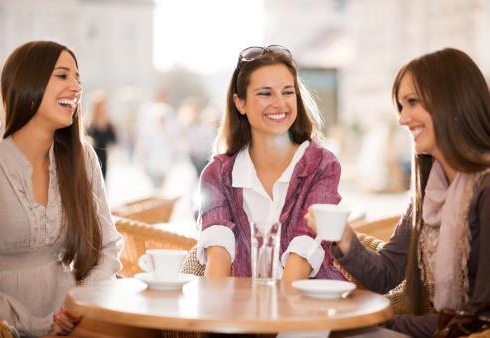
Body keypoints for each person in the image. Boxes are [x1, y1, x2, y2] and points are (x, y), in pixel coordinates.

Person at [306, 48, 490, 337]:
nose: (403, 119)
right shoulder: (429, 193)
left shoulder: (486, 190)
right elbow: (386, 274)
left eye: (412, 102)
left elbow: (480, 317)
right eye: (400, 107)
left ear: (452, 100)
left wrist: (379, 323)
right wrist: (343, 237)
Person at [0, 40, 123, 337]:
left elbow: (109, 248)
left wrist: (79, 304)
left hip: (74, 318)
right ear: (28, 82)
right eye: (62, 75)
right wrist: (29, 326)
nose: (76, 87)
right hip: (1, 325)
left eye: (77, 78)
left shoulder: (83, 158)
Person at [196, 45, 346, 282]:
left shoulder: (322, 165)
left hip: (311, 309)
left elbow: (303, 252)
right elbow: (218, 257)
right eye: (265, 93)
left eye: (288, 92)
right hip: (243, 311)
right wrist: (216, 314)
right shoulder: (217, 175)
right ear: (240, 103)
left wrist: (274, 317)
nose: (280, 103)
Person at [87, 92, 117, 179]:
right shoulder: (90, 123)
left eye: (104, 105)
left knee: (102, 179)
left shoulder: (109, 124)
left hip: (103, 156)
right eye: (101, 105)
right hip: (91, 156)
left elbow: (114, 140)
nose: (104, 107)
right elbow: (85, 137)